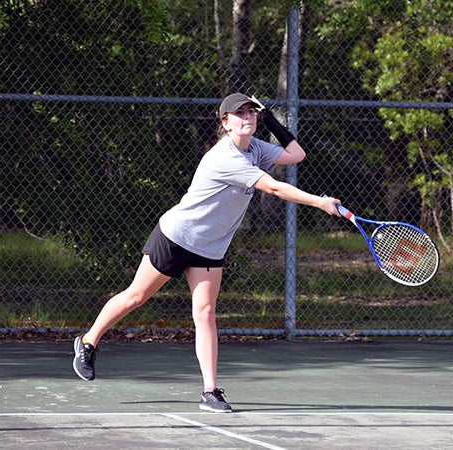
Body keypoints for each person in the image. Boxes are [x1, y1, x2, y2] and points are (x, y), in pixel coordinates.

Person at [72, 93, 341, 413]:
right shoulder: (226, 157)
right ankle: (88, 342)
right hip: (177, 236)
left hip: (211, 247)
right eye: (239, 114)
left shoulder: (256, 148)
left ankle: (210, 391)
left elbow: (296, 154)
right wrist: (319, 202)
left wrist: (269, 117)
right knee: (136, 297)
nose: (248, 118)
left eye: (251, 113)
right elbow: (275, 188)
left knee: (206, 314)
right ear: (225, 124)